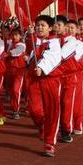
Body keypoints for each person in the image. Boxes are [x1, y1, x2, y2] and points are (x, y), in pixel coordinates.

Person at [27, 15, 62, 157]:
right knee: (34, 109)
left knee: (52, 110)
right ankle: (42, 125)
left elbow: (52, 57)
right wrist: (30, 36)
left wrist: (41, 67)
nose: (39, 27)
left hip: (49, 79)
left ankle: (49, 143)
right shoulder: (35, 39)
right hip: (34, 78)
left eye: (43, 25)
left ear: (50, 28)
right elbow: (28, 51)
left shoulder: (54, 42)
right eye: (38, 25)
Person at [54, 15, 78, 144]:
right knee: (55, 105)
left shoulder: (71, 40)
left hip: (68, 78)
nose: (56, 27)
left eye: (59, 25)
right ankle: (54, 129)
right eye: (55, 25)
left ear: (65, 26)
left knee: (66, 104)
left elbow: (61, 56)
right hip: (55, 77)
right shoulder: (52, 39)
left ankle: (66, 130)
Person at [4, 28, 26, 120]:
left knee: (16, 90)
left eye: (16, 35)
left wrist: (7, 53)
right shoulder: (9, 43)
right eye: (12, 35)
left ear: (20, 36)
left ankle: (16, 110)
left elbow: (16, 52)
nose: (14, 37)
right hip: (9, 70)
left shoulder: (22, 45)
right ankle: (14, 106)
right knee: (10, 89)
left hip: (19, 71)